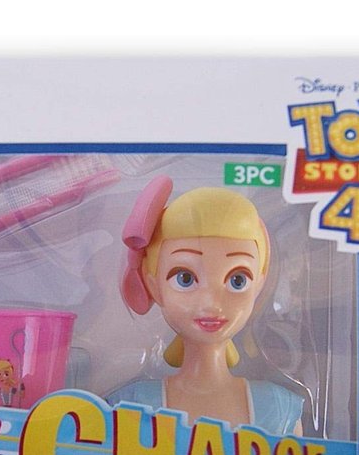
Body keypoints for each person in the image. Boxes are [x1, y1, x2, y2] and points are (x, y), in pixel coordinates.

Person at [110, 176, 303, 434]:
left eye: (237, 280)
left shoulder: (280, 411)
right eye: (185, 278)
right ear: (153, 285)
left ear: (259, 285)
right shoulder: (130, 407)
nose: (212, 302)